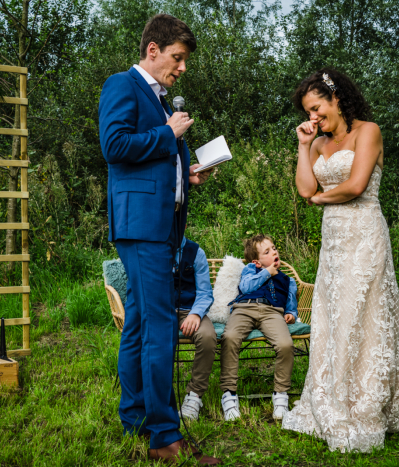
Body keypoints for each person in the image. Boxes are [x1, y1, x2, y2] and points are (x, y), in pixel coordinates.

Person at [98, 14, 219, 465]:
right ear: (153, 50)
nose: (182, 67)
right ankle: (165, 438)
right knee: (161, 326)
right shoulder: (122, 86)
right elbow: (114, 146)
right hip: (142, 227)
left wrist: (186, 175)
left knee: (138, 325)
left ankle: (134, 418)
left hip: (158, 225)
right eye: (177, 57)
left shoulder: (159, 99)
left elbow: (149, 160)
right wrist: (168, 134)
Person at [281, 68, 399, 453]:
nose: (313, 118)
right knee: (332, 316)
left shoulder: (368, 131)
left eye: (316, 109)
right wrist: (304, 146)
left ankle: (365, 406)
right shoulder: (318, 144)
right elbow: (305, 187)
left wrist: (321, 199)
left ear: (336, 97)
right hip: (333, 243)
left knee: (362, 315)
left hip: (365, 235)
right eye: (307, 112)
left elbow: (355, 186)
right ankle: (333, 398)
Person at [220, 235, 298, 421]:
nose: (274, 252)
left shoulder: (288, 280)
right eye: (267, 251)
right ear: (257, 261)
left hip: (272, 312)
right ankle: (229, 394)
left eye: (274, 248)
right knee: (230, 337)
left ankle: (280, 395)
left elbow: (291, 302)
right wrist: (266, 272)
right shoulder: (250, 269)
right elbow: (246, 287)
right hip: (244, 309)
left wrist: (291, 313)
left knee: (286, 345)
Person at [174, 235, 216, 420]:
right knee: (156, 339)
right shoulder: (155, 249)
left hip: (190, 309)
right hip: (162, 309)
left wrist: (195, 314)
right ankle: (161, 396)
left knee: (207, 337)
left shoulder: (196, 252)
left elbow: (205, 292)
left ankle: (194, 396)